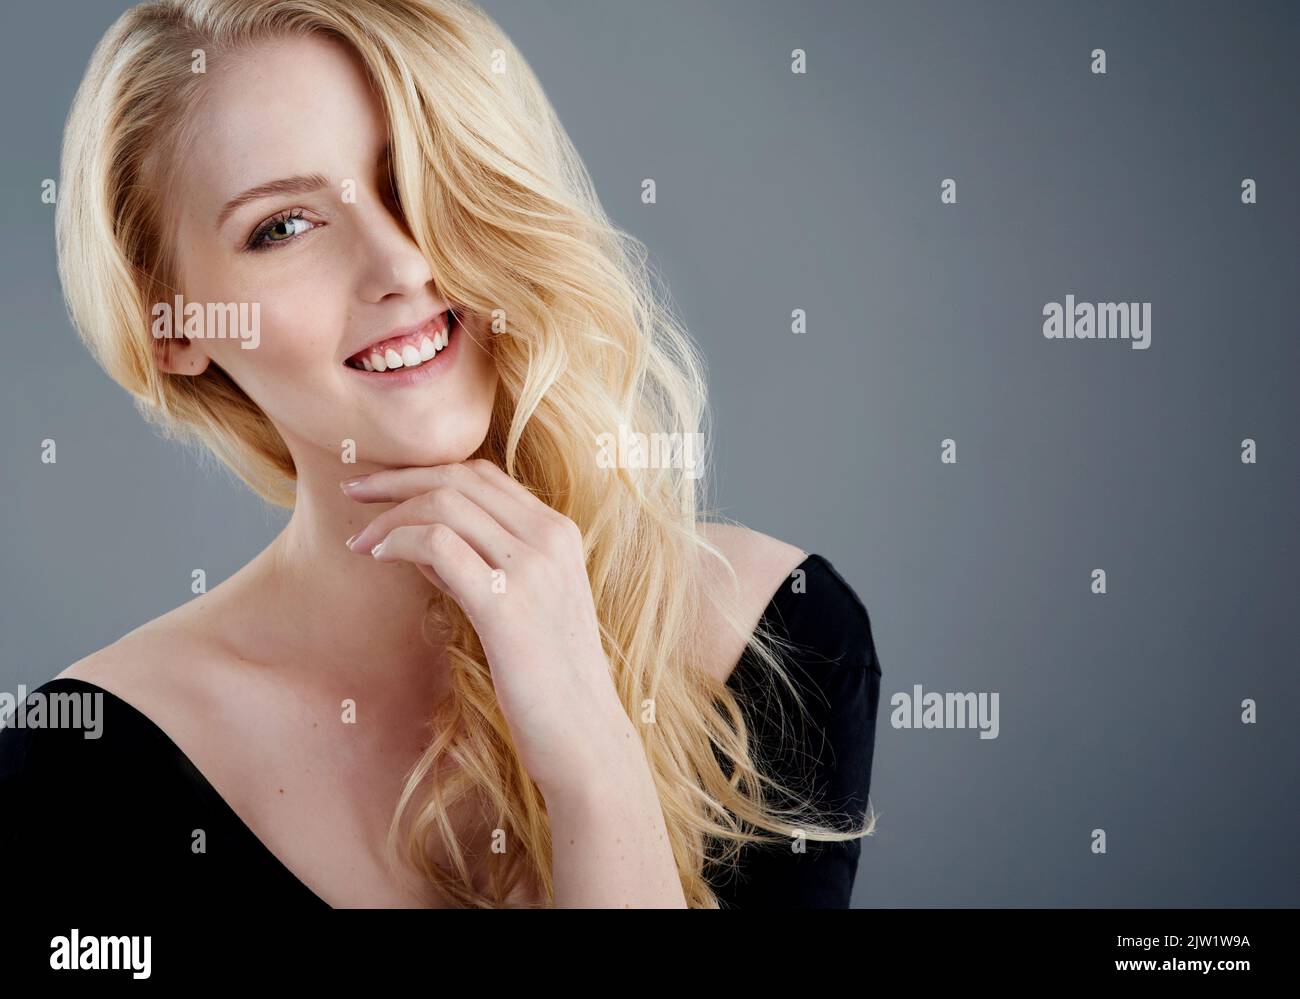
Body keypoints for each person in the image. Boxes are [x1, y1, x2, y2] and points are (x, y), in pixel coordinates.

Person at [0, 0, 881, 909]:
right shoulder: (81, 766)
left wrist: (594, 762)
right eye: (285, 226)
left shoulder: (768, 638)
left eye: (413, 177)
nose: (400, 265)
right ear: (170, 324)